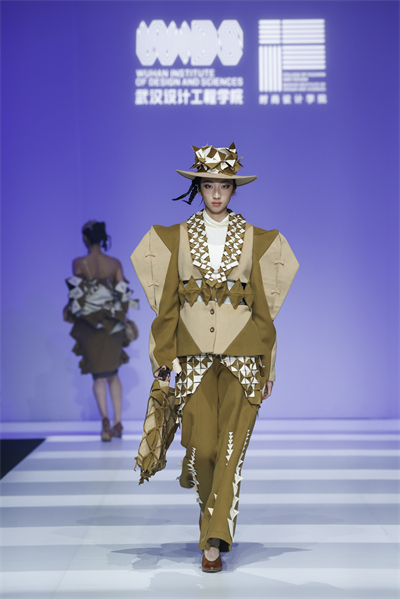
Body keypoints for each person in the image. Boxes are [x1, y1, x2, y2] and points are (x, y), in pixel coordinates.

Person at [131, 143, 299, 572]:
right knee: (203, 450)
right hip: (194, 360)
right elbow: (167, 307)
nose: (217, 193)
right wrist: (162, 359)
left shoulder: (257, 239)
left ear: (234, 189)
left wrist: (270, 365)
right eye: (209, 185)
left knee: (230, 452)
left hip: (245, 359)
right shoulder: (176, 237)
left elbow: (263, 311)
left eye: (224, 186)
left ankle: (213, 540)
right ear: (199, 189)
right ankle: (211, 523)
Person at [64, 220, 138, 441]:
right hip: (112, 324)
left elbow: (77, 295)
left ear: (85, 238)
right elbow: (123, 294)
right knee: (113, 374)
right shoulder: (114, 263)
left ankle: (105, 421)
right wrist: (123, 318)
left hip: (89, 325)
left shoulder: (79, 263)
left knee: (98, 377)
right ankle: (117, 422)